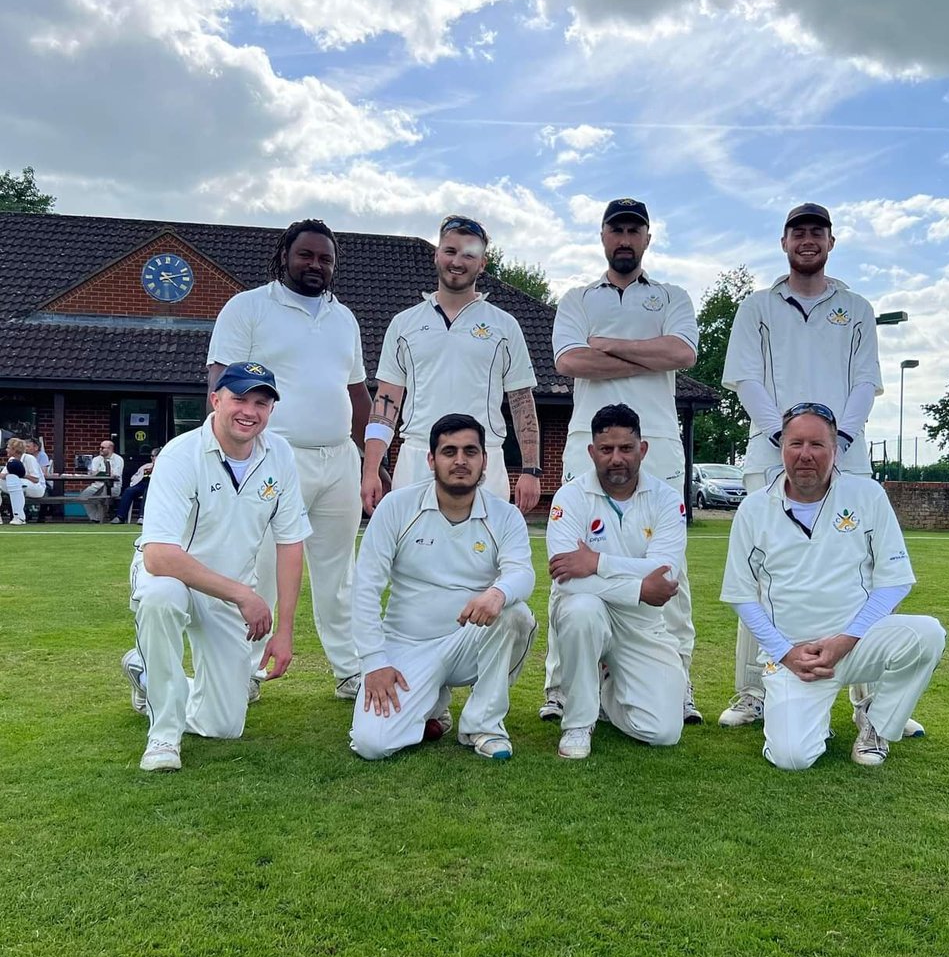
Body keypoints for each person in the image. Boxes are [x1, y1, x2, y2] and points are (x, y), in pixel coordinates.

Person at [718, 202, 923, 737]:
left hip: (845, 452)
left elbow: (864, 381)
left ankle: (867, 695)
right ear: (784, 242)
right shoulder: (757, 306)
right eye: (797, 232)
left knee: (858, 567)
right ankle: (754, 692)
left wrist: (841, 438)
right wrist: (782, 436)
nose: (807, 240)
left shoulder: (854, 307)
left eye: (817, 232)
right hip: (771, 455)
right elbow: (746, 378)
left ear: (831, 242)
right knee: (761, 577)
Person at [541, 198, 702, 725]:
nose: (625, 239)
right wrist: (645, 350)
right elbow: (568, 361)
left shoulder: (672, 296)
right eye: (617, 230)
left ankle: (677, 684)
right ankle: (561, 686)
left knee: (669, 570)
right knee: (572, 563)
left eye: (635, 230)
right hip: (590, 442)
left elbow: (681, 355)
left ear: (648, 238)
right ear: (603, 236)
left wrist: (607, 345)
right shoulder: (578, 298)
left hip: (656, 444)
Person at [720, 404, 945, 770]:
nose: (805, 454)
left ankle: (877, 723)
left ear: (835, 450)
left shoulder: (867, 495)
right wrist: (785, 652)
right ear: (781, 449)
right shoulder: (754, 508)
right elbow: (741, 595)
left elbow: (894, 581)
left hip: (856, 644)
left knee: (927, 635)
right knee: (792, 758)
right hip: (796, 658)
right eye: (796, 444)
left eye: (817, 444)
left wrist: (847, 639)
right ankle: (805, 718)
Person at [207, 218, 371, 701]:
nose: (316, 264)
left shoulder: (345, 318)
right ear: (285, 255)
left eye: (325, 258)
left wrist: (372, 462)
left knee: (341, 572)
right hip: (272, 457)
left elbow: (356, 393)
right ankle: (244, 671)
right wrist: (229, 456)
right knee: (259, 570)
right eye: (307, 255)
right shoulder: (248, 307)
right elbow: (221, 385)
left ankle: (350, 671)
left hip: (339, 458)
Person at [121, 363, 311, 772]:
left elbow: (291, 542)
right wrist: (245, 595)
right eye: (239, 399)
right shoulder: (180, 454)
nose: (249, 411)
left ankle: (146, 673)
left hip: (227, 591)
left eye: (261, 402)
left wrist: (285, 631)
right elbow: (158, 555)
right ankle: (163, 737)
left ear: (271, 410)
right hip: (172, 577)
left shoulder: (279, 454)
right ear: (216, 400)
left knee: (224, 725)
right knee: (160, 598)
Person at [350, 413, 536, 763]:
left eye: (470, 451)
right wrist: (374, 662)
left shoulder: (505, 516)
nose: (461, 461)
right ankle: (431, 706)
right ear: (431, 459)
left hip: (469, 640)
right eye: (449, 451)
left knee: (515, 614)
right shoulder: (396, 507)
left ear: (485, 459)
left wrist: (497, 593)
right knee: (372, 744)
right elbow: (365, 588)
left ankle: (483, 726)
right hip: (407, 644)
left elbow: (522, 573)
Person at [362, 214, 542, 514]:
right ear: (437, 254)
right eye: (450, 251)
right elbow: (386, 401)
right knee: (411, 559)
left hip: (483, 459)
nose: (457, 262)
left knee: (483, 559)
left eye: (469, 255)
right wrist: (370, 471)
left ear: (482, 264)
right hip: (418, 457)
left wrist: (531, 470)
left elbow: (522, 400)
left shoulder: (504, 326)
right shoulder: (404, 324)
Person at [547, 404, 687, 760]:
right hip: (593, 609)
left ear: (643, 449)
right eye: (606, 450)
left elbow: (665, 575)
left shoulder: (668, 500)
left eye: (626, 448)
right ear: (592, 452)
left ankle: (606, 691)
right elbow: (567, 579)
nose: (616, 459)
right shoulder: (570, 497)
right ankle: (578, 722)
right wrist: (639, 588)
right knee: (582, 609)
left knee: (663, 732)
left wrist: (596, 562)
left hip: (641, 624)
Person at [110, 447, 160, 524]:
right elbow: (135, 476)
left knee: (147, 491)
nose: (152, 457)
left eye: (154, 456)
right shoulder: (146, 466)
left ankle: (142, 517)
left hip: (155, 486)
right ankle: (120, 517)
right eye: (151, 456)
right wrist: (133, 484)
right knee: (128, 491)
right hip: (142, 484)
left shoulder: (164, 467)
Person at [2, 438, 45, 525]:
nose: (6, 449)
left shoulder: (29, 458)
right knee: (11, 479)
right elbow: (2, 475)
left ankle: (19, 517)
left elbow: (36, 479)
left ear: (15, 449)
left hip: (37, 488)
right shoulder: (12, 460)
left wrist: (20, 474)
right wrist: (10, 475)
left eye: (8, 447)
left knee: (15, 481)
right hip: (21, 485)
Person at [80, 439, 123, 522]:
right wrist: (103, 473)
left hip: (113, 486)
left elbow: (115, 475)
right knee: (83, 496)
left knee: (102, 498)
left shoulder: (118, 459)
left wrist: (100, 473)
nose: (100, 449)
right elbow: (93, 473)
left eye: (102, 448)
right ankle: (95, 518)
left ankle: (99, 519)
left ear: (110, 449)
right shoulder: (96, 459)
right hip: (97, 484)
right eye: (100, 447)